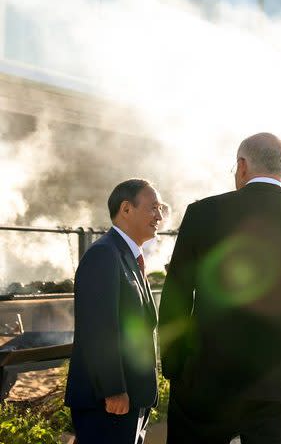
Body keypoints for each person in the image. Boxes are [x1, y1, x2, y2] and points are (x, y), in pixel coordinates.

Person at [159, 133, 281, 444]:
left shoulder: (203, 212)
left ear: (241, 166)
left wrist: (173, 366)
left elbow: (178, 293)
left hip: (206, 377)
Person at [65, 179, 164, 444]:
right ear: (126, 209)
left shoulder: (128, 256)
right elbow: (99, 328)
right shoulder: (104, 254)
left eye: (161, 209)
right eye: (153, 207)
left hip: (132, 399)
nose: (159, 216)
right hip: (109, 402)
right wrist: (114, 389)